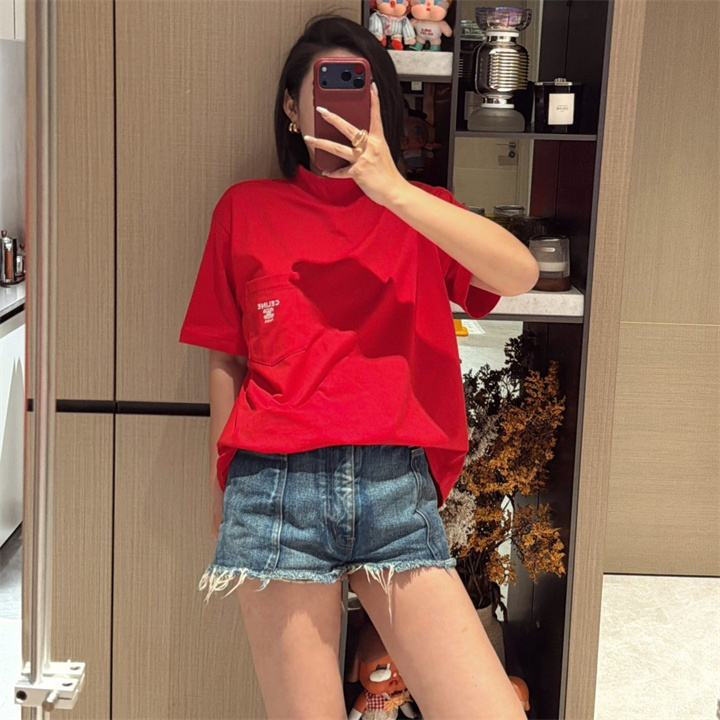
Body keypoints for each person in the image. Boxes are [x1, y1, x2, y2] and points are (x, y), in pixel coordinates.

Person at [179, 14, 538, 720]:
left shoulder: (423, 211)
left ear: (382, 104)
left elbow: (518, 274)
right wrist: (222, 476)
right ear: (291, 107)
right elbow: (228, 353)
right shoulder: (246, 209)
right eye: (323, 88)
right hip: (273, 489)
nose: (340, 103)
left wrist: (392, 188)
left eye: (359, 87)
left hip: (396, 489)